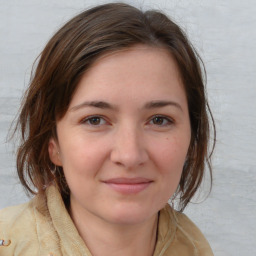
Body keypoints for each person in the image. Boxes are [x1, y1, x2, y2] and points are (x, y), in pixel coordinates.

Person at [0, 2, 215, 256]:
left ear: (192, 139)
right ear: (52, 144)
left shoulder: (196, 249)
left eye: (159, 120)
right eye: (95, 120)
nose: (129, 155)